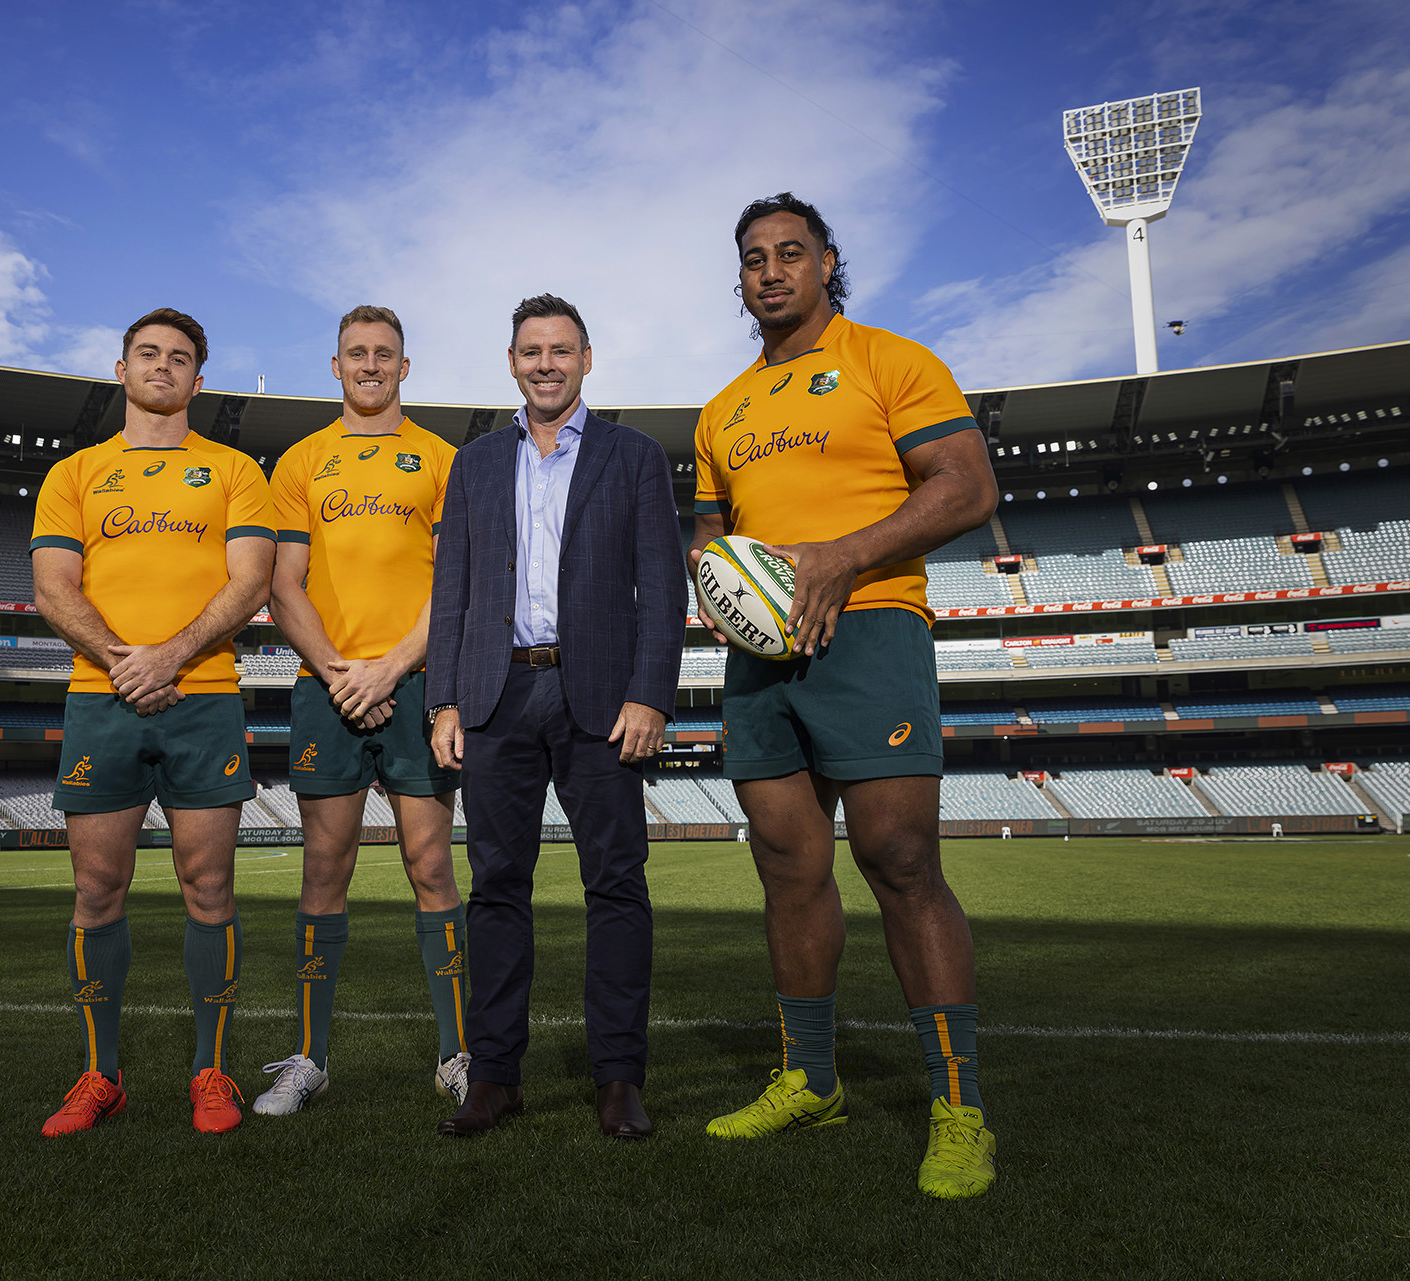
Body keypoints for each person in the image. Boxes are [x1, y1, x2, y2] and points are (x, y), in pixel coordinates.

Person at [690, 195, 1001, 1199]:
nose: (771, 271)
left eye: (790, 253)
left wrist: (840, 560)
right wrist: (717, 584)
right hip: (762, 658)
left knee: (900, 859)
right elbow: (704, 533)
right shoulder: (721, 411)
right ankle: (811, 1082)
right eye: (753, 259)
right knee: (786, 864)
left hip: (871, 628)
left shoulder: (892, 362)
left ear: (828, 262)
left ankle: (959, 1109)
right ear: (739, 279)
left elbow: (965, 485)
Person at [427, 294, 684, 1139]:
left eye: (561, 350)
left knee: (616, 884)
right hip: (497, 696)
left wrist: (650, 693)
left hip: (602, 698)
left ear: (586, 359)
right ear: (510, 362)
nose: (546, 363)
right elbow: (454, 591)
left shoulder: (635, 457)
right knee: (497, 889)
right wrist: (444, 700)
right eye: (531, 350)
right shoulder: (474, 464)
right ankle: (495, 1075)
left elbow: (661, 586)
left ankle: (619, 1077)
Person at [29, 307, 275, 1138]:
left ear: (198, 379)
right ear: (121, 368)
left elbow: (249, 582)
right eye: (148, 354)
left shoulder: (237, 470)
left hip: (203, 698)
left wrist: (165, 657)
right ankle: (101, 1073)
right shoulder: (74, 474)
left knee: (209, 888)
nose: (162, 367)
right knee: (97, 891)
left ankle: (212, 1068)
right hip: (100, 700)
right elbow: (53, 586)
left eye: (179, 358)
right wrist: (123, 660)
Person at [253, 305, 468, 1117]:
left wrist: (389, 668)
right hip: (327, 682)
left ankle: (455, 1053)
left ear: (404, 368)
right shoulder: (302, 461)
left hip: (417, 683)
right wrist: (344, 670)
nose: (370, 364)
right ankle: (308, 1058)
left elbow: (453, 584)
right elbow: (283, 583)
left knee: (431, 864)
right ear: (335, 366)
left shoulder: (441, 458)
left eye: (384, 354)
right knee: (323, 868)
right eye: (356, 354)